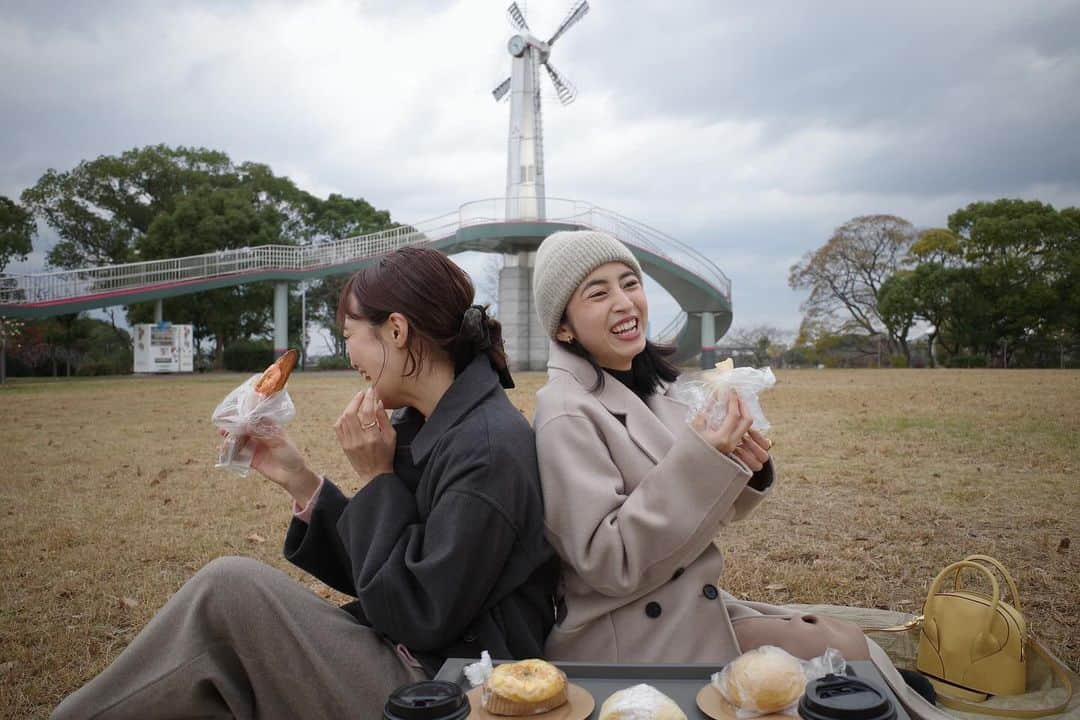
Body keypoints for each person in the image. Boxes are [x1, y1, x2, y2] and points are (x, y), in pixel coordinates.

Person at [53, 246, 559, 720]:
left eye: (349, 335)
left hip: (449, 687)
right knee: (226, 642)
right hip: (419, 657)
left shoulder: (487, 448)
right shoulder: (432, 424)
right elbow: (382, 574)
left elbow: (419, 612)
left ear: (397, 330)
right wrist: (301, 481)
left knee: (229, 591)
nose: (349, 357)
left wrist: (378, 477)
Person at [531, 229, 802, 665]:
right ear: (563, 327)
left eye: (630, 283)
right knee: (842, 657)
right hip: (627, 635)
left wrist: (748, 468)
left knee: (847, 652)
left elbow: (702, 515)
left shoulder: (658, 388)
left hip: (688, 605)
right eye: (597, 293)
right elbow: (607, 561)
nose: (624, 301)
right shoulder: (564, 410)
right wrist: (702, 462)